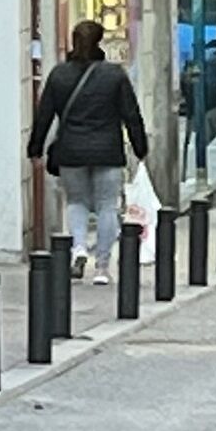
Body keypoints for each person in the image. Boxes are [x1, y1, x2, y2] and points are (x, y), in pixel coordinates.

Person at [29, 18, 150, 283]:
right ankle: (103, 268)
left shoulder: (59, 75)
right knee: (108, 206)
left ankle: (79, 249)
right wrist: (141, 147)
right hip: (107, 151)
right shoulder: (114, 75)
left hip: (71, 152)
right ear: (99, 42)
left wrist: (35, 148)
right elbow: (131, 114)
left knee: (76, 202)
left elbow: (44, 115)